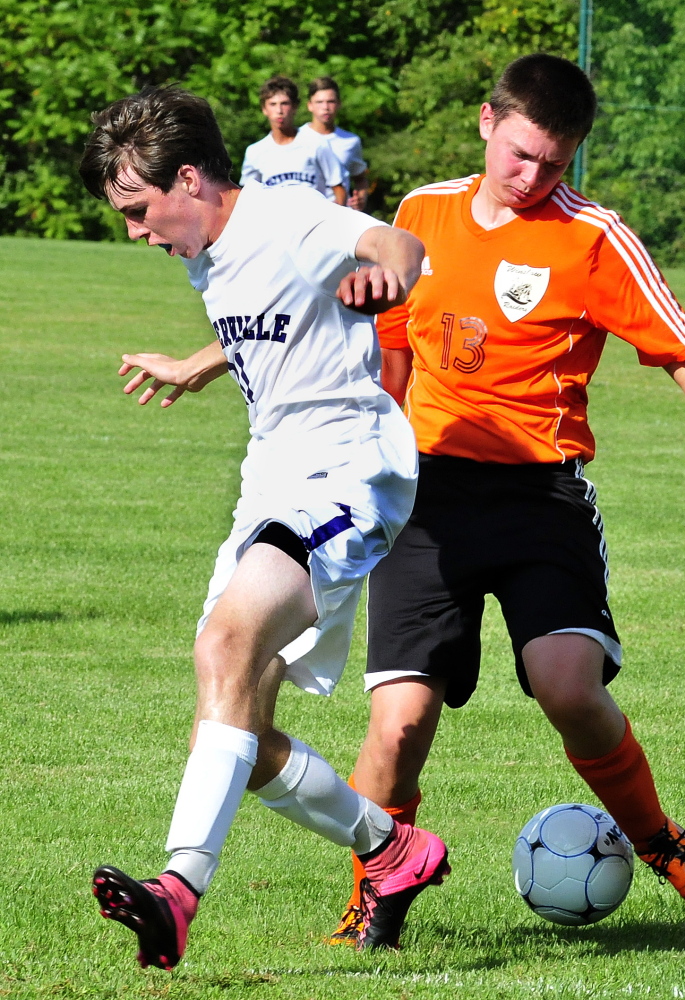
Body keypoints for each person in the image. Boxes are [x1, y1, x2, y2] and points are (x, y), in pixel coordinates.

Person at [328, 53, 685, 945]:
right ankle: (374, 896)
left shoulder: (593, 237)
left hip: (541, 496)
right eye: (523, 154)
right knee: (398, 723)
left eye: (556, 162)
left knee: (566, 685)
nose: (534, 177)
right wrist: (369, 444)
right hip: (425, 495)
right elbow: (392, 351)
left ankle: (656, 841)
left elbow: (683, 347)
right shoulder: (421, 213)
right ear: (488, 121)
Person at [78, 84, 449, 969]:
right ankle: (394, 850)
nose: (136, 232)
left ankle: (178, 891)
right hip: (273, 476)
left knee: (226, 645)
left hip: (349, 468)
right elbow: (267, 316)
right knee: (239, 725)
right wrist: (202, 364)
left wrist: (389, 271)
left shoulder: (285, 213)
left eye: (138, 210)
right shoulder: (205, 247)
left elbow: (396, 242)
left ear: (193, 179)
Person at [240, 76, 347, 204]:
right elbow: (247, 198)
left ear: (295, 107)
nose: (279, 111)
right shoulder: (255, 152)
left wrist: (333, 220)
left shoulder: (316, 143)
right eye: (273, 104)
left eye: (284, 104)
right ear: (264, 109)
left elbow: (339, 189)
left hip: (314, 220)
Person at [301, 76, 369, 211]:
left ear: (339, 104)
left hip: (341, 215)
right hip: (307, 214)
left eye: (330, 101)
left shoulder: (350, 141)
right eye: (319, 102)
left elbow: (360, 178)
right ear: (310, 105)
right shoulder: (298, 138)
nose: (325, 107)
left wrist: (360, 199)